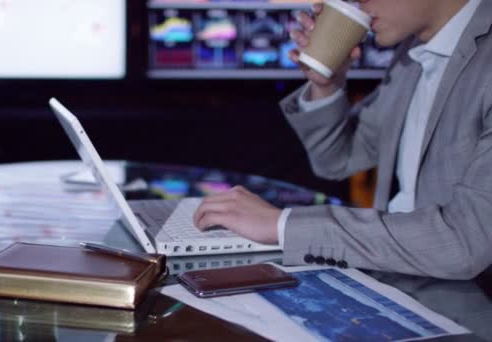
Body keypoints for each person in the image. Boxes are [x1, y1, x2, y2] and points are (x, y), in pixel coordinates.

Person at [193, 0, 492, 280]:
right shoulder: (412, 53)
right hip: (403, 277)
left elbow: (463, 243)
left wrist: (282, 225)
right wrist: (327, 85)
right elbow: (339, 160)